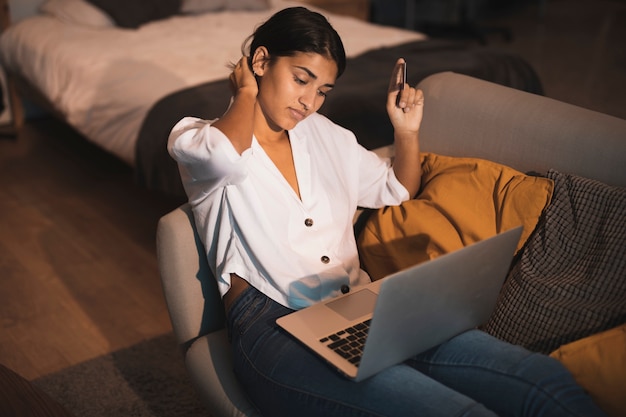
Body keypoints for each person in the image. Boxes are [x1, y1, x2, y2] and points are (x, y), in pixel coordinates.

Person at [168, 7, 607, 417]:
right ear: (261, 61)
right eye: (301, 80)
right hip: (271, 325)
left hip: (359, 308)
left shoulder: (325, 136)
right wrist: (245, 89)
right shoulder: (195, 138)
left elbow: (395, 190)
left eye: (322, 90)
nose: (309, 102)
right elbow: (225, 158)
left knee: (541, 380)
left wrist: (406, 131)